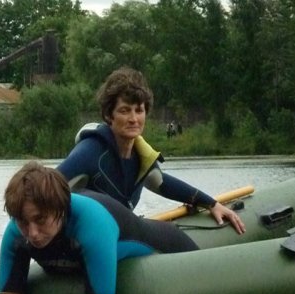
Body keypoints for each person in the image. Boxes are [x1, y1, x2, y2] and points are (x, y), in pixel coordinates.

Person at [0, 161, 199, 294]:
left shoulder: (91, 222)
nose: (32, 233)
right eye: (23, 222)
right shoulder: (15, 233)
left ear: (60, 208)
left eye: (41, 220)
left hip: (166, 244)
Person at [56, 67, 245, 235]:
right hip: (84, 243)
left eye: (139, 110)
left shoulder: (140, 153)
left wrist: (211, 204)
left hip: (118, 234)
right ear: (108, 115)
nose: (133, 119)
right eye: (124, 111)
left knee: (173, 238)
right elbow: (44, 189)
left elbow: (161, 182)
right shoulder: (90, 151)